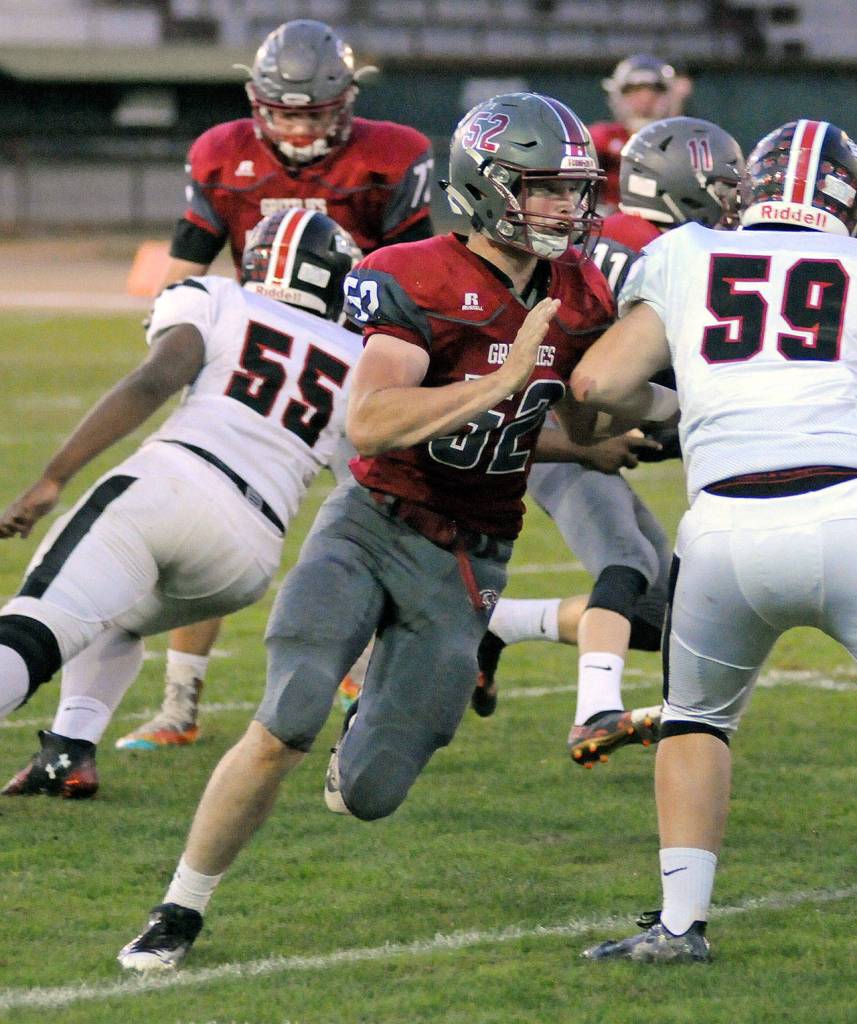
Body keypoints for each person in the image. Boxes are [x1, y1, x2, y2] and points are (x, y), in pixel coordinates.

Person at [116, 91, 617, 971]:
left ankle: (387, 711)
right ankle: (178, 908)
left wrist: (615, 429)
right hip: (370, 525)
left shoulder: (580, 289)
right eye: (542, 188)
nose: (563, 207)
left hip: (470, 557)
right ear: (485, 187)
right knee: (286, 717)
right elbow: (374, 419)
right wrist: (499, 381)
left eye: (572, 189)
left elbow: (565, 414)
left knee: (372, 794)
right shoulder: (414, 272)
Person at [575, 118, 857, 962]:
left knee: (695, 720)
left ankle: (677, 927)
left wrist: (683, 408)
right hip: (845, 511)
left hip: (723, 528)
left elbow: (596, 383)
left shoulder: (685, 250)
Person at [117, 17, 435, 753]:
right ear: (257, 101)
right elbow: (185, 266)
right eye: (284, 113)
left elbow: (415, 273)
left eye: (314, 113)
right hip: (257, 354)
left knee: (383, 511)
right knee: (213, 514)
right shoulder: (221, 153)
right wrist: (175, 332)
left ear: (347, 101)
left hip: (357, 357)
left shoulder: (391, 155)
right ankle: (179, 705)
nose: (297, 129)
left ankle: (366, 662)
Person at [0, 209, 363, 798]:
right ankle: (68, 753)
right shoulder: (358, 356)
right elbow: (361, 477)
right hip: (247, 555)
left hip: (173, 485)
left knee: (40, 618)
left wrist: (52, 477)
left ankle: (66, 745)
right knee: (113, 615)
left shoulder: (218, 298)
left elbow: (154, 380)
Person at [475, 117, 745, 771]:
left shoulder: (627, 240)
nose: (730, 203)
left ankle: (499, 625)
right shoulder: (656, 249)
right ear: (683, 186)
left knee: (660, 614)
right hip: (555, 426)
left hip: (584, 417)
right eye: (720, 188)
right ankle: (594, 710)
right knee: (623, 561)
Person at [588, 55, 675, 212]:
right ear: (616, 96)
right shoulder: (601, 138)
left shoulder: (680, 141)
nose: (645, 100)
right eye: (633, 91)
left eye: (655, 91)